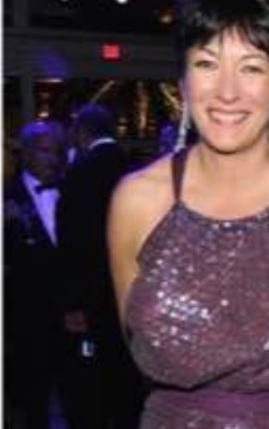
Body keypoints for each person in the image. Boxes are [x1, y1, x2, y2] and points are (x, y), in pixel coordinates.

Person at [107, 0, 269, 429]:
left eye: (251, 67)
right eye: (207, 63)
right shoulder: (136, 201)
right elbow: (127, 341)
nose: (227, 91)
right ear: (183, 82)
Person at [56, 103, 143, 429]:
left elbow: (72, 243)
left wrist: (73, 302)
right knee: (129, 374)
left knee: (94, 374)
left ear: (81, 133)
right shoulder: (135, 168)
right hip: (133, 290)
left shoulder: (79, 173)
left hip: (94, 292)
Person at [4, 120, 68, 429]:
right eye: (45, 151)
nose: (53, 159)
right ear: (27, 154)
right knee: (32, 399)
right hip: (25, 318)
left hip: (69, 316)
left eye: (57, 151)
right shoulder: (7, 197)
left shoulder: (71, 191)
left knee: (77, 395)